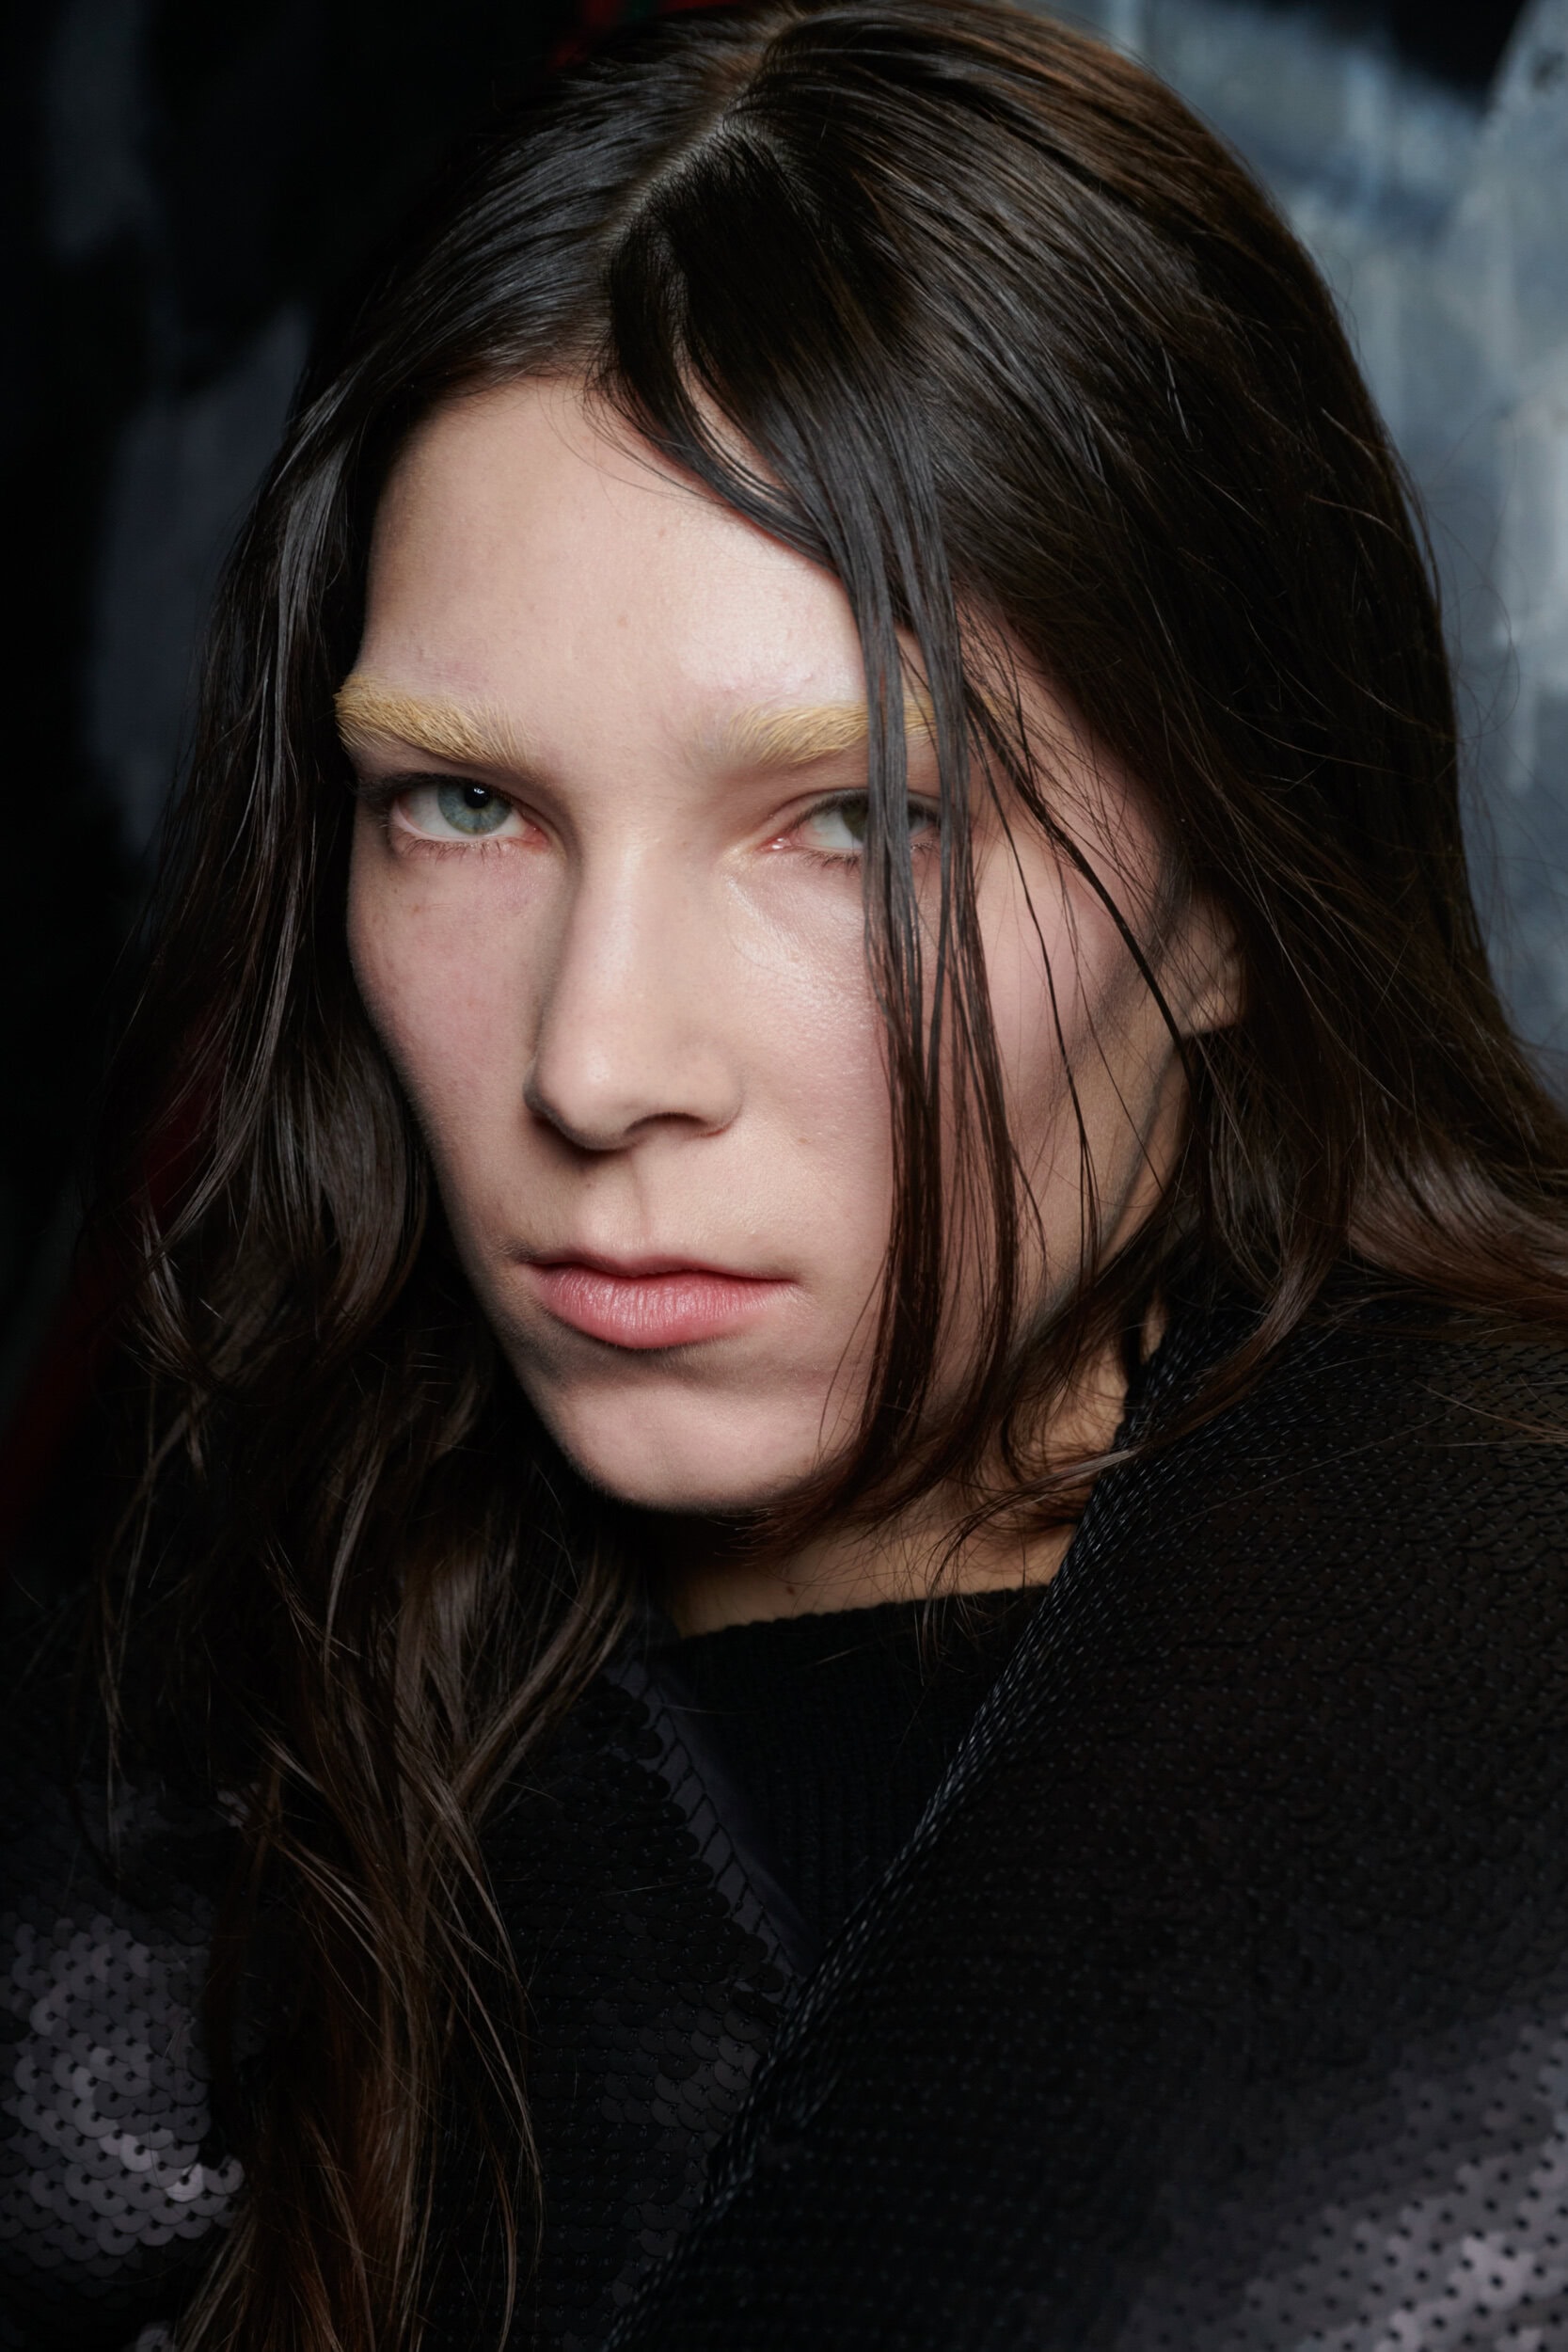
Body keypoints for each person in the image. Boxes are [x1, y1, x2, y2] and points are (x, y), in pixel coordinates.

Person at [6, 1, 1568, 2345]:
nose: (596, 1060)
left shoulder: (1502, 1730)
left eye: (859, 821)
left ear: (1237, 891)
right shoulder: (144, 1825)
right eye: (465, 803)